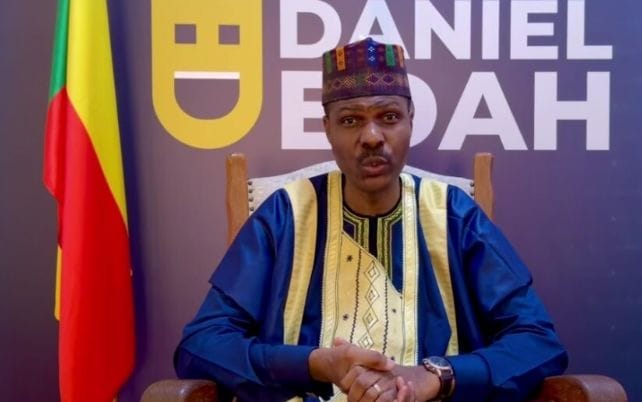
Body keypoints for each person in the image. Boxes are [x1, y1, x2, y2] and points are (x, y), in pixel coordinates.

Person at [174, 38, 568, 402]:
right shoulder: (284, 216)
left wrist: (434, 376)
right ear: (327, 128)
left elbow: (537, 341)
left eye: (389, 116)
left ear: (410, 120)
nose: (372, 136)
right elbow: (201, 344)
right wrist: (317, 365)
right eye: (350, 120)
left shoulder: (453, 216)